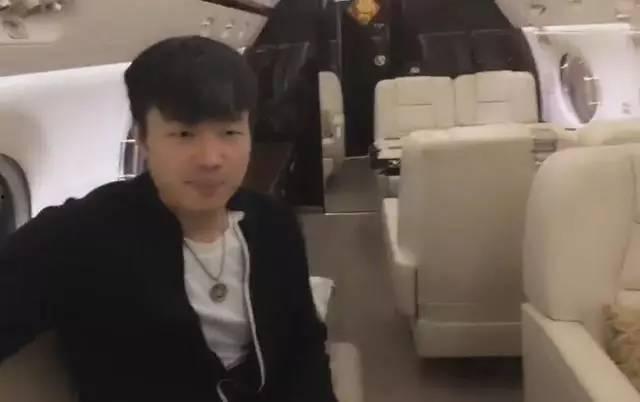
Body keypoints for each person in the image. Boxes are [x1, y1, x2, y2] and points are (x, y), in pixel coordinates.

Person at [0, 36, 337, 402]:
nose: (210, 159)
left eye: (230, 132)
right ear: (143, 139)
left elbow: (303, 345)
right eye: (183, 134)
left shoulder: (273, 224)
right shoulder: (80, 234)